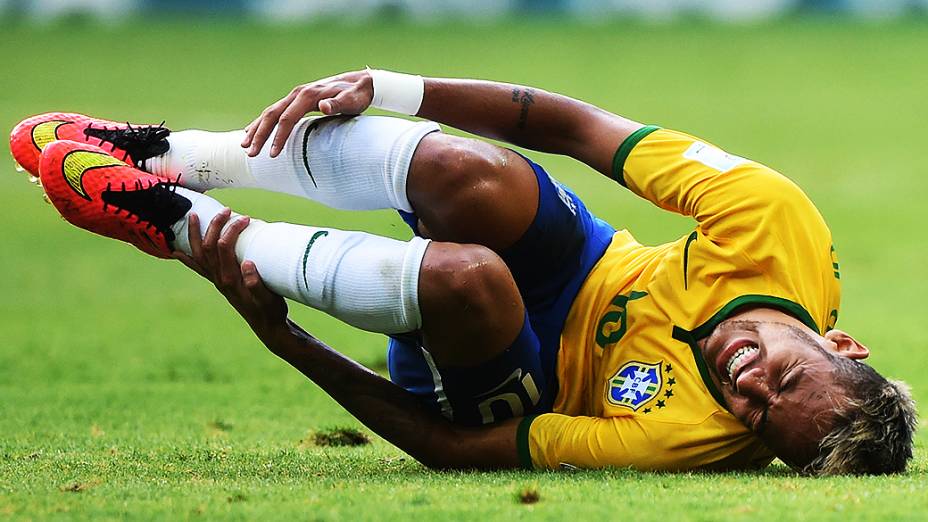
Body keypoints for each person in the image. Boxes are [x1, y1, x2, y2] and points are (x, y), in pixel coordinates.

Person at [11, 69, 916, 475]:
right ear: (839, 339)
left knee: (467, 278)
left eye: (756, 416)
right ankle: (173, 156)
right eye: (784, 375)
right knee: (466, 174)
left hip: (511, 370)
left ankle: (181, 225)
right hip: (591, 260)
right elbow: (574, 129)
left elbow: (449, 449)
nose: (746, 384)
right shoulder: (774, 220)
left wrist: (283, 339)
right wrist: (391, 87)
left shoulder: (686, 435)